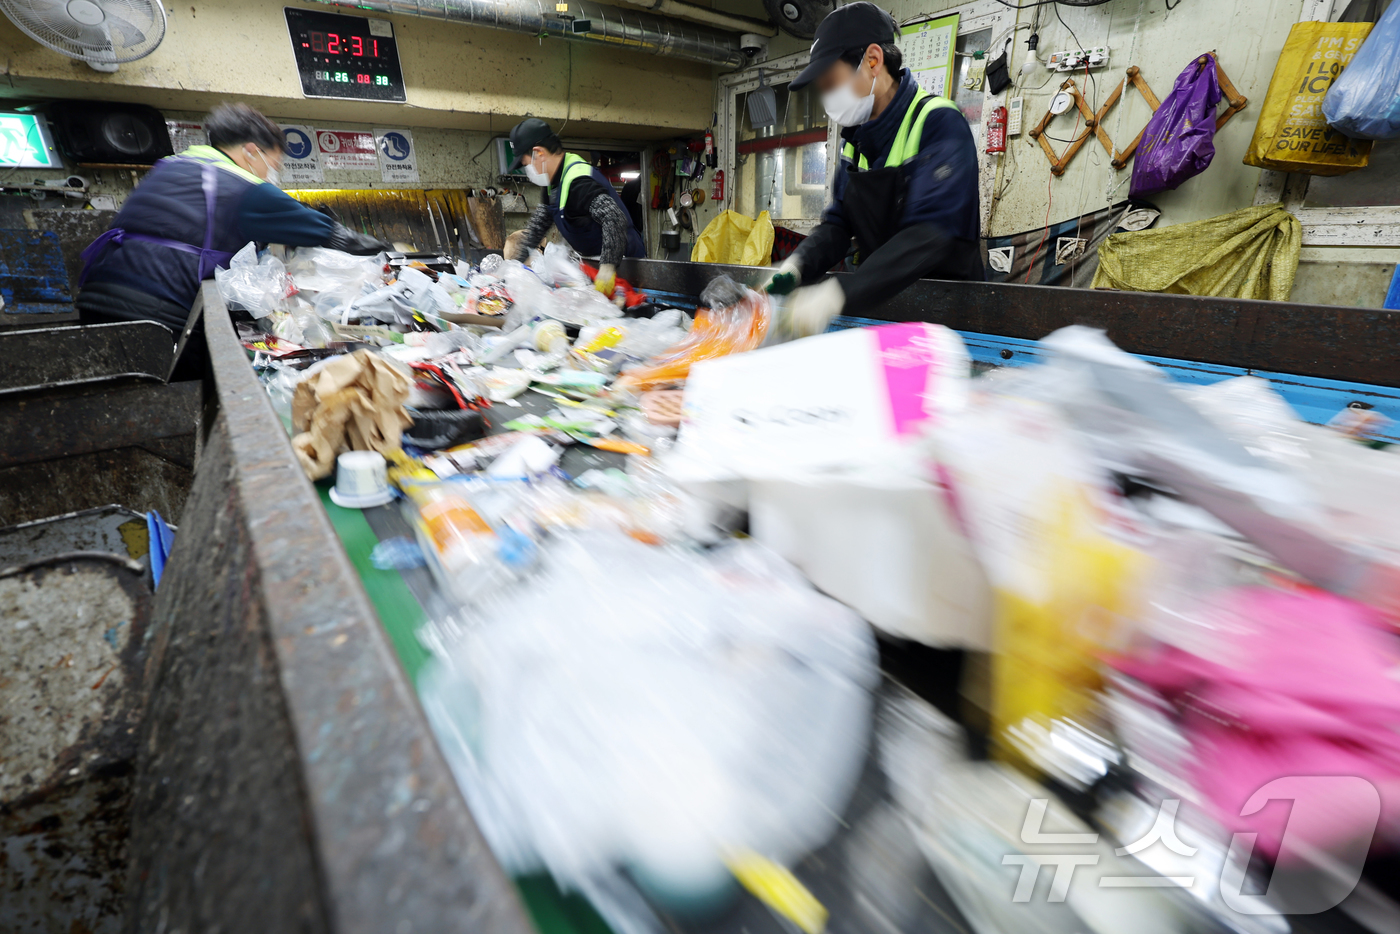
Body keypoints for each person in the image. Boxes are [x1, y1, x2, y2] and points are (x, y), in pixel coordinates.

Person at [765, 2, 984, 337]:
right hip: (883, 311)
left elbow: (930, 234)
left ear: (872, 61)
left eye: (830, 82)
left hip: (949, 321)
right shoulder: (856, 141)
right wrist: (797, 265)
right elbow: (838, 224)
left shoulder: (939, 122)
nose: (827, 98)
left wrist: (835, 294)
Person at [77, 103, 389, 332]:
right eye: (273, 164)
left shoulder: (173, 166)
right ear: (252, 152)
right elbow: (330, 233)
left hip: (95, 297)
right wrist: (388, 254)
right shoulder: (243, 186)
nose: (271, 174)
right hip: (158, 312)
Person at [506, 118, 645, 300]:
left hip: (627, 270)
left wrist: (608, 267)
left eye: (525, 164)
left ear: (538, 153)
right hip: (597, 270)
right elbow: (536, 230)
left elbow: (614, 218)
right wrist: (512, 270)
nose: (527, 170)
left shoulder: (578, 181)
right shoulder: (552, 185)